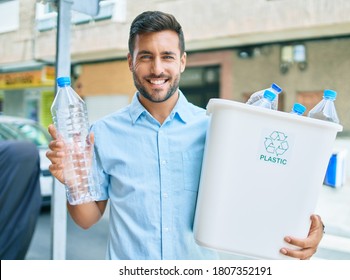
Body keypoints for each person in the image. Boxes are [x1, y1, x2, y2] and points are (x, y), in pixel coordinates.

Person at [46, 10, 324, 260]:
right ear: (130, 62)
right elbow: (86, 219)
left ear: (182, 62)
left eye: (167, 57)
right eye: (146, 57)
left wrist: (313, 227)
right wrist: (74, 182)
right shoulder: (102, 134)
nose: (157, 69)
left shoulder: (216, 128)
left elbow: (262, 190)